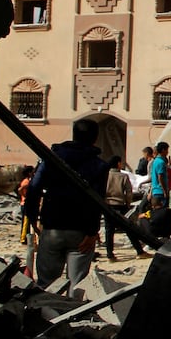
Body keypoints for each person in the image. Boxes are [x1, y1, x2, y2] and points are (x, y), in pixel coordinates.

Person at [23, 118, 110, 292]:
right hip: (81, 232)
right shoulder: (98, 165)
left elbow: (34, 187)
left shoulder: (51, 158)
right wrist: (93, 232)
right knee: (77, 286)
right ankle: (72, 316)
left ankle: (45, 317)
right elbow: (97, 200)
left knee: (46, 284)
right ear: (95, 138)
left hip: (52, 226)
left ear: (74, 134)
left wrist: (31, 217)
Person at [103, 155, 147, 260]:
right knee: (128, 228)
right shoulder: (123, 176)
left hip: (108, 205)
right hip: (120, 205)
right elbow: (128, 192)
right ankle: (139, 251)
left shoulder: (105, 175)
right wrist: (128, 204)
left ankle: (110, 254)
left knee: (109, 230)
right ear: (118, 163)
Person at [149, 141, 171, 208]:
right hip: (160, 192)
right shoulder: (161, 162)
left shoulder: (155, 161)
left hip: (155, 191)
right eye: (167, 150)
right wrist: (165, 191)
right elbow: (160, 177)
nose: (167, 152)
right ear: (163, 150)